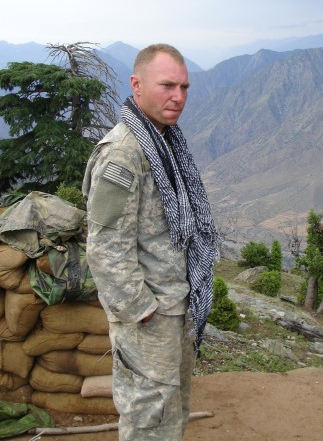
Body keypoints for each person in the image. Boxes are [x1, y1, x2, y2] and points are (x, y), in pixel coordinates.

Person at [82, 43, 220, 440]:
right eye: (167, 86)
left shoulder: (166, 142)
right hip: (149, 316)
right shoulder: (124, 154)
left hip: (175, 305)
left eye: (184, 87)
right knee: (149, 416)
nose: (178, 97)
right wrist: (142, 311)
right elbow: (105, 246)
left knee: (173, 410)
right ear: (136, 85)